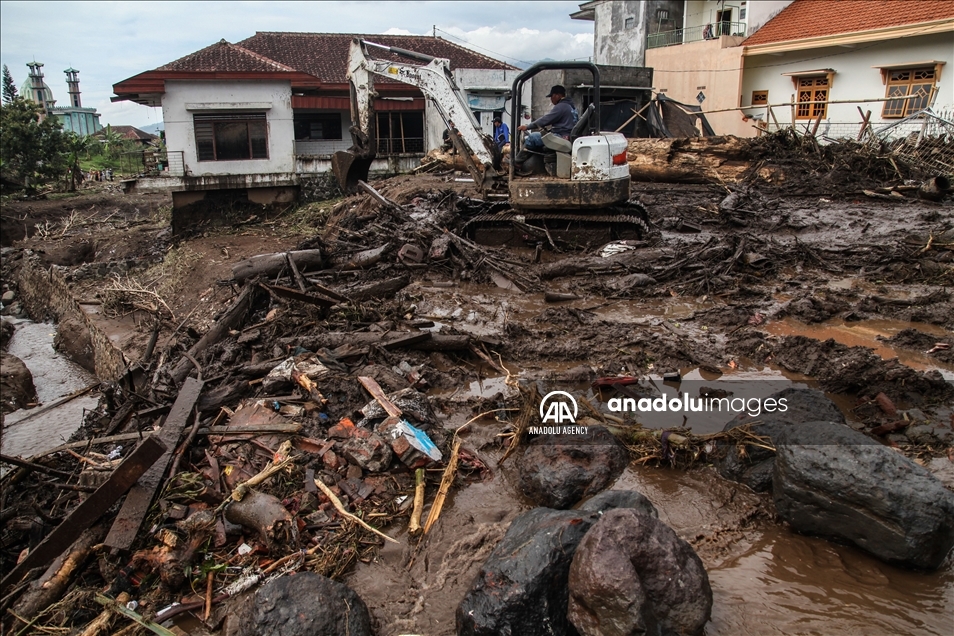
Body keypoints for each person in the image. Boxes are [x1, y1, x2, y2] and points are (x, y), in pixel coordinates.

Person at [514, 85, 578, 172]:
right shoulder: (571, 106)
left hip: (560, 136)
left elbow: (545, 120)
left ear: (557, 95)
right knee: (539, 137)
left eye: (552, 96)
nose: (551, 99)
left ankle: (517, 163)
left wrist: (527, 127)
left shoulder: (561, 107)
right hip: (566, 135)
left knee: (532, 138)